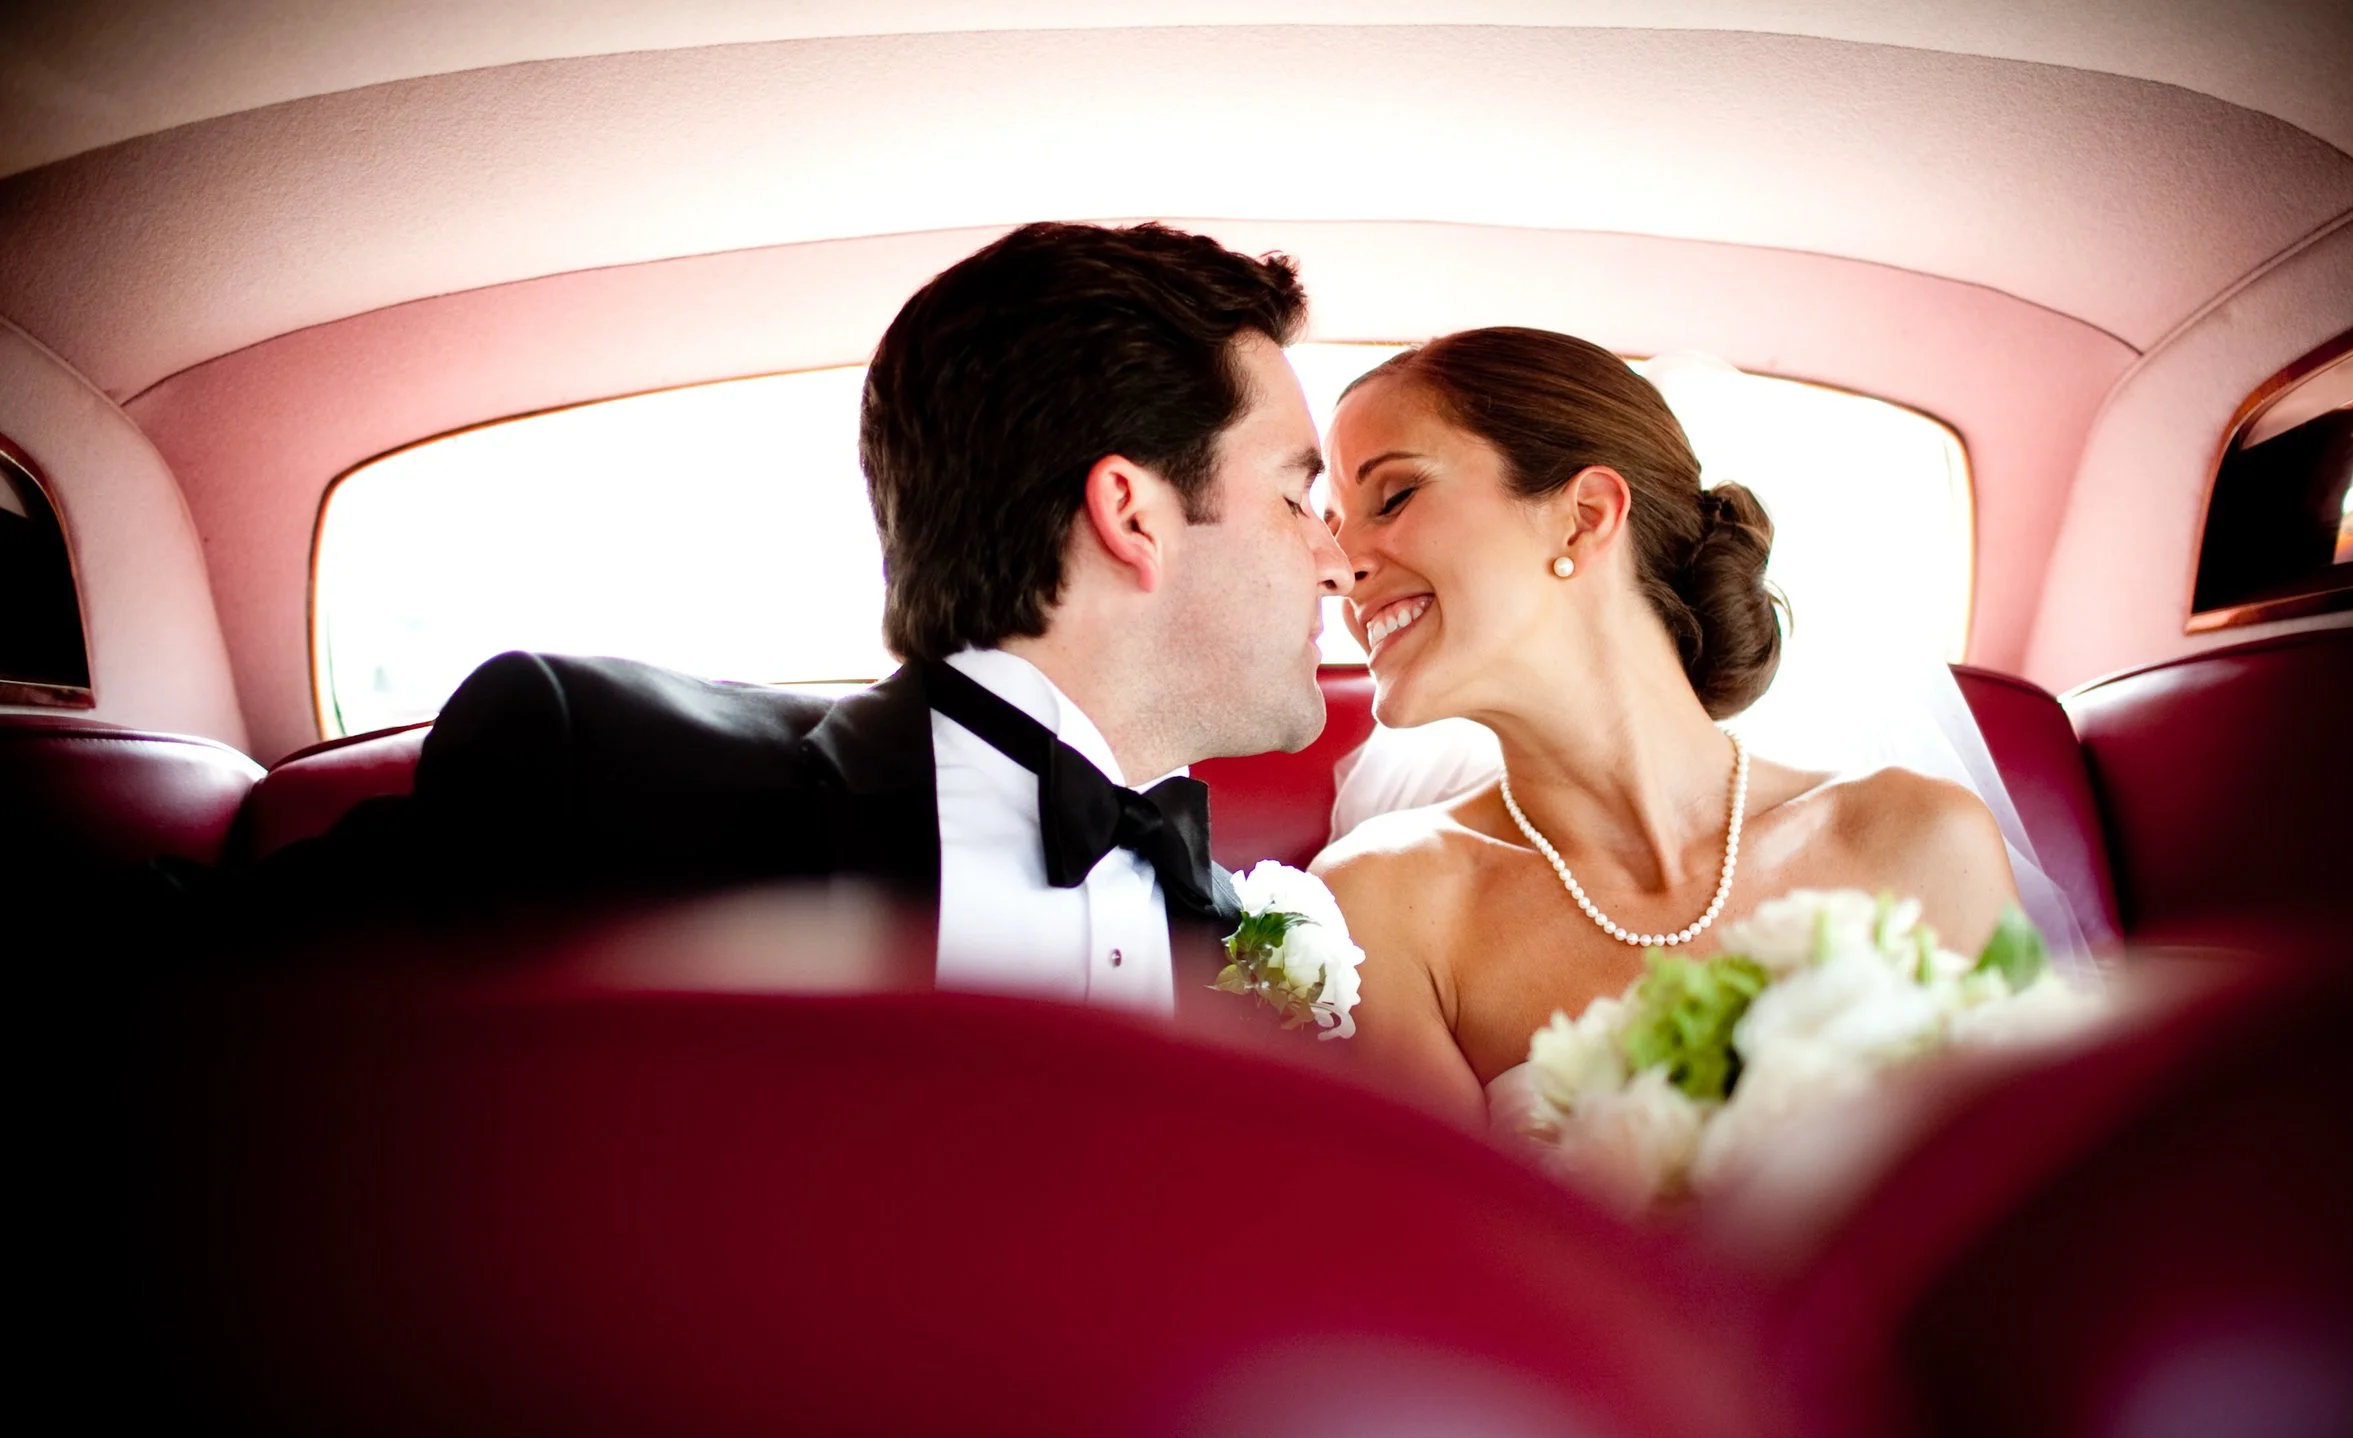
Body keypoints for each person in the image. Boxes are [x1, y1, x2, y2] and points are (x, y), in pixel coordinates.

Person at [244, 222, 1356, 1014]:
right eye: (1297, 498)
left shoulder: (1247, 950)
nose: (1336, 559)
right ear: (1132, 513)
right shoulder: (602, 780)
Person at [1311, 328, 2017, 1118]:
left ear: (1584, 515)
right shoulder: (1381, 906)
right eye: (1331, 524)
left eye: (1394, 496)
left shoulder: (1919, 838)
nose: (1336, 568)